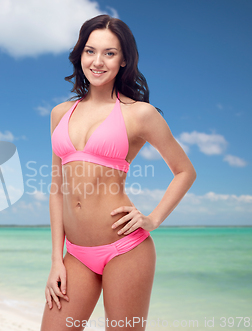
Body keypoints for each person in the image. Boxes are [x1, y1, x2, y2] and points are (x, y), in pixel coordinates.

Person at [41, 14, 196, 330]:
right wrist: (57, 259)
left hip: (126, 250)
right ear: (80, 54)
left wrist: (151, 220)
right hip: (77, 255)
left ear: (124, 59)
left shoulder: (139, 114)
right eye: (90, 51)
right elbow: (57, 189)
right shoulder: (60, 113)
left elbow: (185, 171)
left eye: (109, 53)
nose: (98, 61)